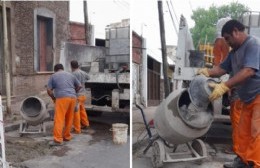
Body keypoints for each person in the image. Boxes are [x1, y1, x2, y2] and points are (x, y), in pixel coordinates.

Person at [197, 19, 260, 168]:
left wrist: (224, 86)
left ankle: (254, 163)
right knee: (242, 132)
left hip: (259, 94)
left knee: (257, 132)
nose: (227, 42)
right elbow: (220, 69)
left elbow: (249, 71)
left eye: (227, 38)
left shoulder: (253, 44)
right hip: (248, 97)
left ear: (236, 32)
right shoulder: (234, 53)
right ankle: (242, 160)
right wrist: (206, 72)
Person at [47, 63, 81, 146]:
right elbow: (79, 86)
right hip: (73, 98)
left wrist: (53, 98)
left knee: (59, 118)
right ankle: (67, 136)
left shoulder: (53, 76)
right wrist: (73, 93)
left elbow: (49, 90)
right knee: (69, 118)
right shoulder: (71, 75)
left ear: (55, 70)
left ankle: (58, 139)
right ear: (62, 68)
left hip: (62, 98)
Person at [70, 60, 90, 134]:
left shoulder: (73, 74)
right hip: (83, 94)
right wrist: (83, 81)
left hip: (77, 95)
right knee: (82, 110)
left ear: (71, 66)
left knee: (76, 112)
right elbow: (89, 77)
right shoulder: (83, 72)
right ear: (78, 65)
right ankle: (85, 124)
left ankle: (77, 129)